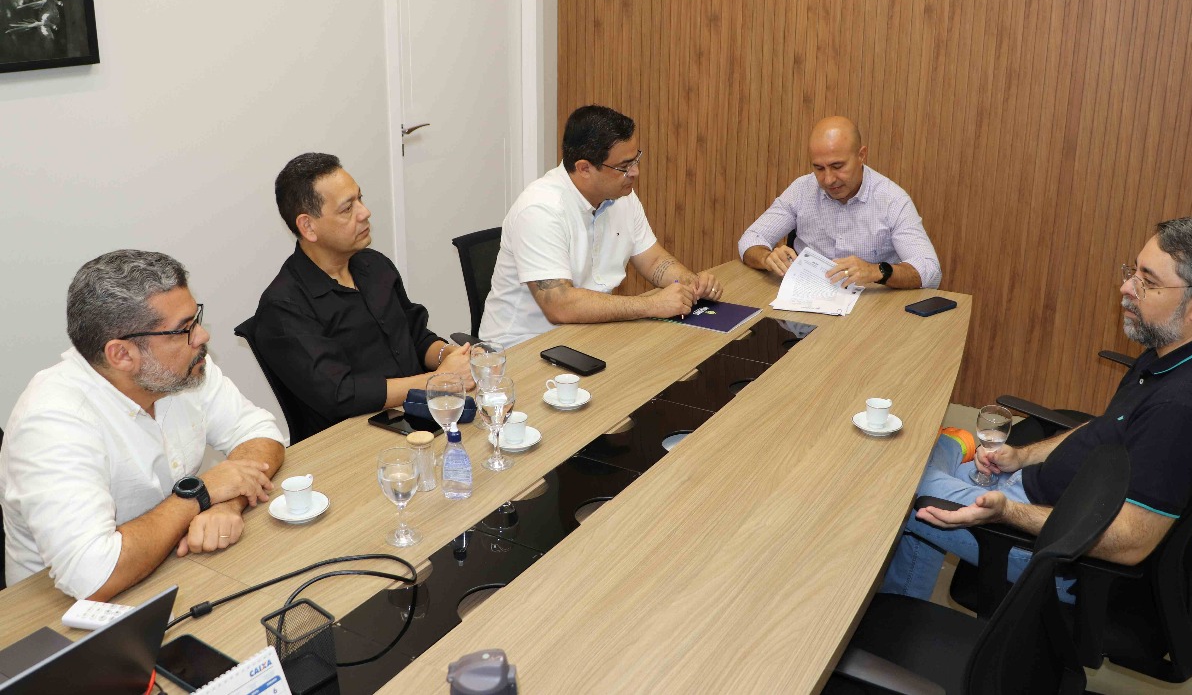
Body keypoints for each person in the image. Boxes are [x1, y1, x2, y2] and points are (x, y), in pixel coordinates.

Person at [881, 217, 1192, 599]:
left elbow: (1130, 543)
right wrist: (1021, 457)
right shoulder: (1178, 352)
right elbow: (1110, 427)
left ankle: (949, 452)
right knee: (919, 457)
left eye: (1148, 281)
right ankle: (899, 612)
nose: (1126, 287)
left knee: (892, 480)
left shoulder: (1184, 409)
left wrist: (1007, 513)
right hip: (1034, 492)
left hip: (1051, 551)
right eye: (1133, 272)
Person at [0, 251, 286, 600]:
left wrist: (228, 503)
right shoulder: (51, 422)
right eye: (184, 329)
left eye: (196, 318)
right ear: (122, 355)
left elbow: (259, 431)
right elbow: (93, 577)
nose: (201, 337)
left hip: (171, 567)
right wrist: (201, 494)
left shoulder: (180, 371)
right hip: (62, 613)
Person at [252, 153, 473, 440]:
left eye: (360, 198)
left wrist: (452, 357)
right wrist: (438, 381)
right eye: (347, 208)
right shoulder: (284, 307)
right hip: (353, 440)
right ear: (308, 226)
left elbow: (416, 337)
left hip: (415, 416)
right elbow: (342, 394)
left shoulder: (374, 265)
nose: (364, 212)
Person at [480, 104, 724, 347]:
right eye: (624, 167)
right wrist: (652, 304)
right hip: (520, 349)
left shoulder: (622, 196)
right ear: (584, 168)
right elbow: (559, 305)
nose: (635, 172)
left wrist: (689, 282)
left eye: (636, 160)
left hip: (586, 334)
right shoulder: (540, 209)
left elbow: (654, 261)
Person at [738, 116, 941, 289]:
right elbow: (751, 238)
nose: (828, 180)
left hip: (871, 307)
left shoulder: (892, 200)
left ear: (861, 155)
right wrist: (766, 258)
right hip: (806, 298)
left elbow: (930, 271)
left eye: (837, 166)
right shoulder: (801, 189)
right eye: (819, 168)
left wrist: (878, 271)